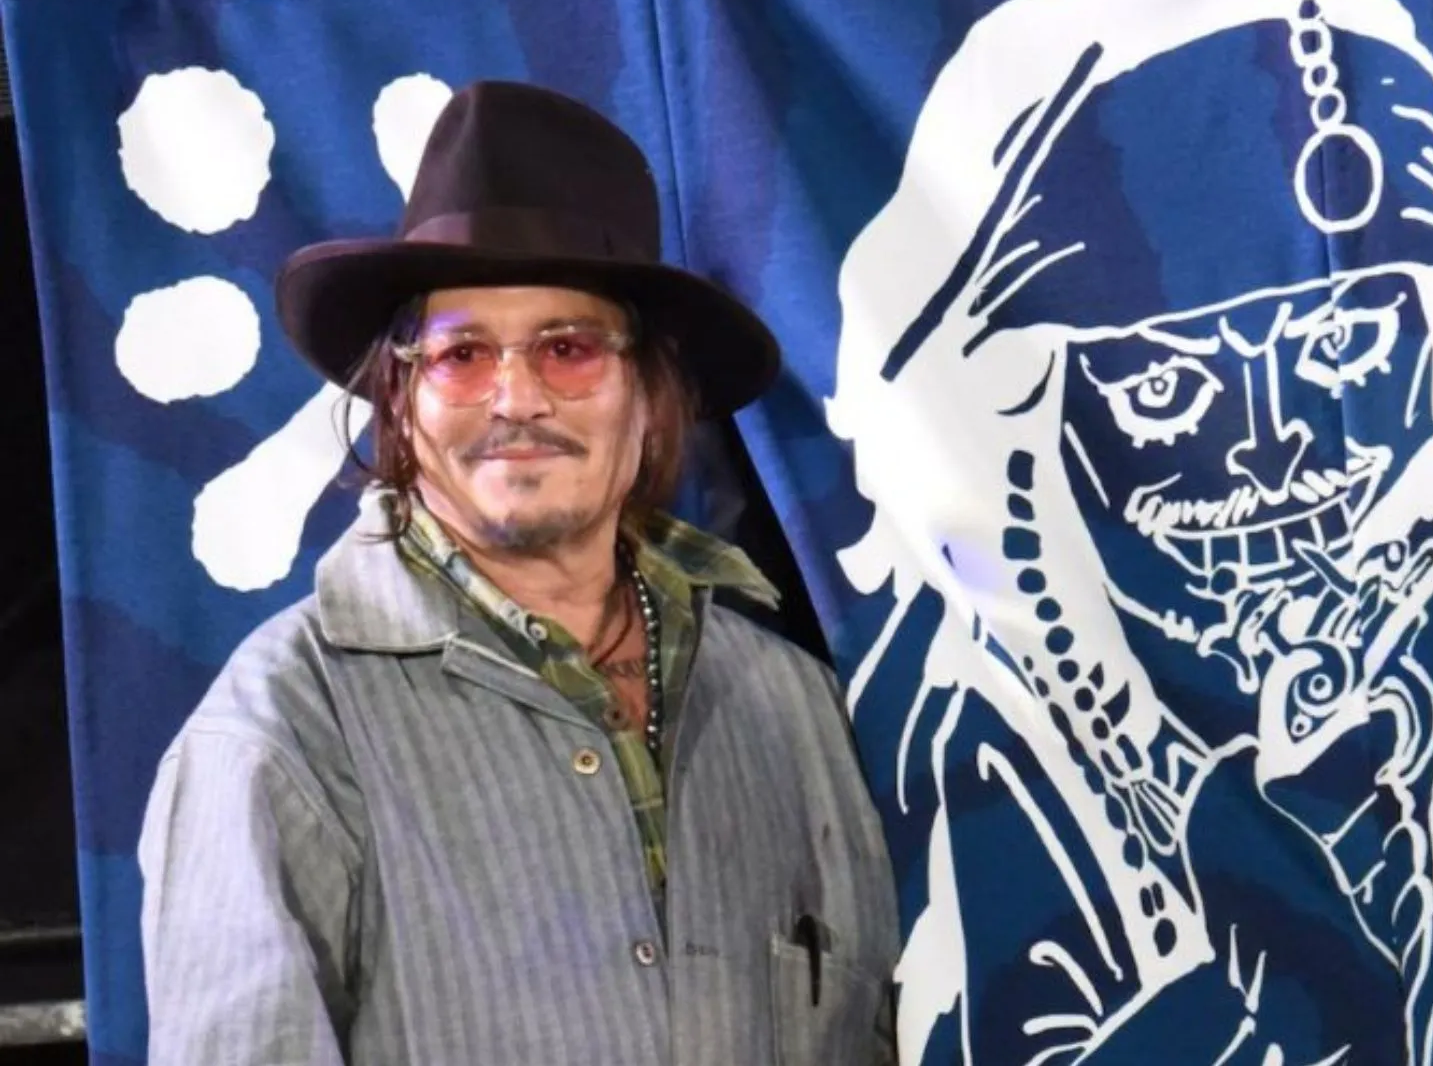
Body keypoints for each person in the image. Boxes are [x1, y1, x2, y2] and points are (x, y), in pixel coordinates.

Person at [137, 80, 898, 1065]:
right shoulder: (281, 730)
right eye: (461, 354)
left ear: (649, 394)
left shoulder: (790, 703)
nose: (515, 398)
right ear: (401, 399)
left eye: (568, 348)